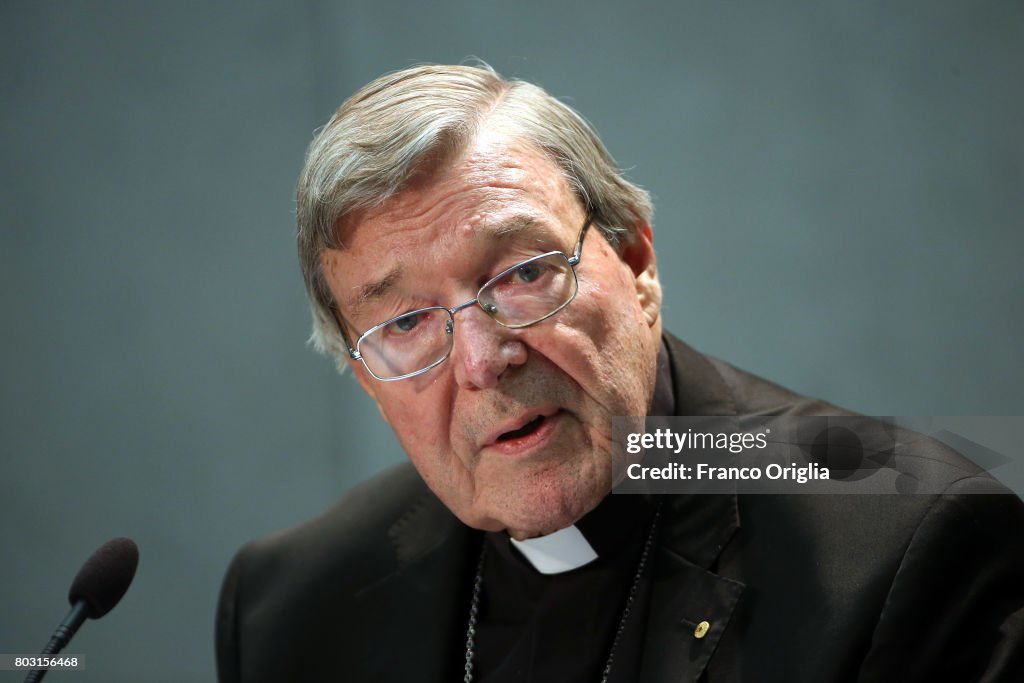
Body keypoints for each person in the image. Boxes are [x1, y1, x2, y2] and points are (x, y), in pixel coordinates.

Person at [215, 63, 1024, 682]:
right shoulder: (290, 608)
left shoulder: (910, 536)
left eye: (523, 273)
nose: (482, 359)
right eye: (404, 323)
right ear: (365, 378)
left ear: (635, 260)